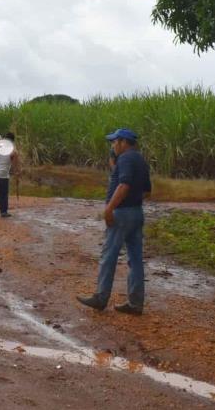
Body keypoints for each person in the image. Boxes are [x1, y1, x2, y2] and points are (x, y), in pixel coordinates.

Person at [77, 128, 152, 315]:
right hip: (136, 213)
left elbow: (124, 184)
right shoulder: (140, 159)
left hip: (122, 214)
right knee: (135, 259)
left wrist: (110, 208)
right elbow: (146, 191)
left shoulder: (125, 159)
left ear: (123, 142)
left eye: (114, 142)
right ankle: (135, 303)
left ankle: (101, 298)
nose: (113, 145)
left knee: (108, 256)